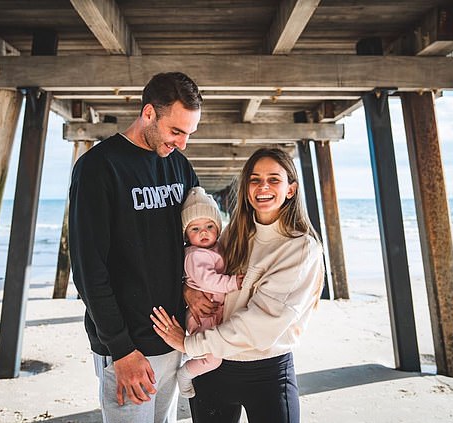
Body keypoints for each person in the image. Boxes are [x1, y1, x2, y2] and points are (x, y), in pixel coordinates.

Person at [152, 147, 325, 423]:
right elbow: (198, 269)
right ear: (246, 189)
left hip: (266, 374)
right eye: (255, 179)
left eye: (274, 179)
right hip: (213, 372)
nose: (263, 187)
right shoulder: (234, 233)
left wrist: (189, 344)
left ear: (291, 190)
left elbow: (259, 326)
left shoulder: (301, 249)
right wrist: (188, 290)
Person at [69, 72, 203, 423]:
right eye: (176, 131)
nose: (183, 143)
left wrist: (194, 294)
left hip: (173, 340)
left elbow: (197, 243)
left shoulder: (179, 165)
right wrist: (122, 350)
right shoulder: (99, 168)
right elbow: (88, 268)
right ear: (148, 114)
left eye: (189, 133)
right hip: (129, 350)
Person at [177, 186, 244, 398]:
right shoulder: (195, 255)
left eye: (209, 226)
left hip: (213, 312)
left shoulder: (215, 248)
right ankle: (185, 374)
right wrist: (233, 283)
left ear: (218, 227)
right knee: (212, 358)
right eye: (195, 229)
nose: (203, 232)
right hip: (201, 316)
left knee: (220, 347)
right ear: (186, 235)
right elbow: (210, 280)